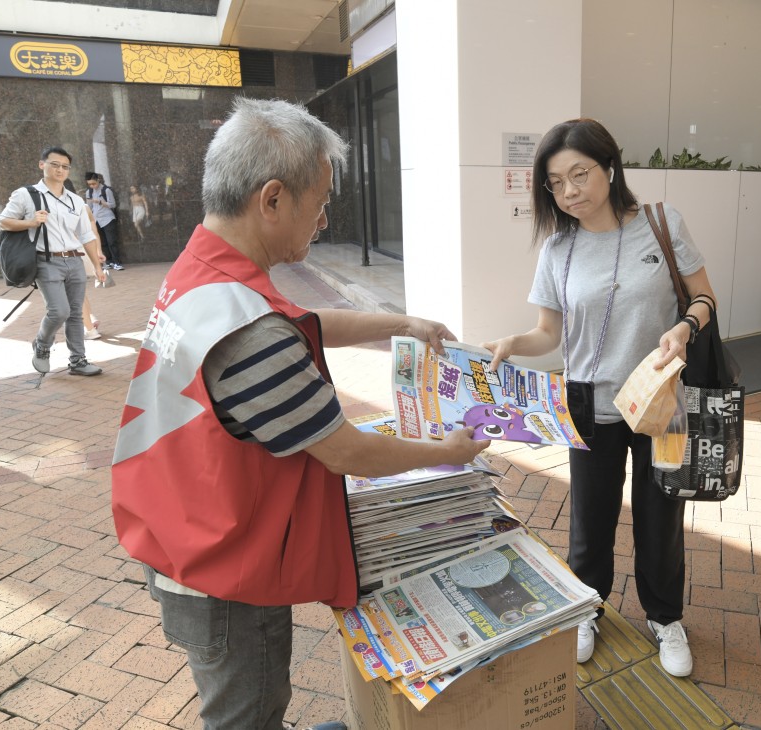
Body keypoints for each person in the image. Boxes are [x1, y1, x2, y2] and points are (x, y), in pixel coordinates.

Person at [111, 98, 491, 730]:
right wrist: (446, 452)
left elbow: (300, 324)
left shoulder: (205, 270)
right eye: (320, 202)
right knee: (247, 712)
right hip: (225, 574)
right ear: (273, 199)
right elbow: (344, 449)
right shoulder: (247, 328)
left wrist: (402, 321)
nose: (321, 220)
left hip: (185, 528)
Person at [482, 118, 717, 678]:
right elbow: (548, 335)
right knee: (590, 519)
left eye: (579, 175)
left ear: (609, 168)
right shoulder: (557, 250)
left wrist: (684, 326)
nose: (570, 192)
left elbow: (705, 295)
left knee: (660, 517)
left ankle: (665, 618)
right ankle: (588, 607)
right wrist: (517, 342)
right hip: (588, 403)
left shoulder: (661, 224)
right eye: (556, 183)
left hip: (661, 401)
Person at [0, 147, 108, 376]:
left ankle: (78, 361)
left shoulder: (76, 201)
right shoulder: (26, 194)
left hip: (74, 261)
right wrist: (30, 222)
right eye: (55, 164)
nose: (60, 170)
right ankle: (42, 344)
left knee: (76, 313)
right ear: (42, 165)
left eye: (65, 166)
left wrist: (97, 266)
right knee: (59, 311)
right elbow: (3, 221)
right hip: (46, 261)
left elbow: (87, 235)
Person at [64, 179, 105, 340]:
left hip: (72, 254)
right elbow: (93, 232)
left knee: (75, 294)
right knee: (80, 292)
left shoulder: (60, 209)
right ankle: (90, 319)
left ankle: (90, 329)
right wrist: (98, 252)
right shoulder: (84, 206)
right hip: (87, 252)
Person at [85, 172, 124, 270]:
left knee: (112, 241)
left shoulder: (106, 190)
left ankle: (117, 262)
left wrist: (101, 202)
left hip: (107, 218)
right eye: (90, 184)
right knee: (102, 242)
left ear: (98, 180)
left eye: (94, 183)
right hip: (96, 219)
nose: (92, 186)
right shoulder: (88, 192)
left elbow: (113, 204)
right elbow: (88, 207)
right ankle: (109, 261)